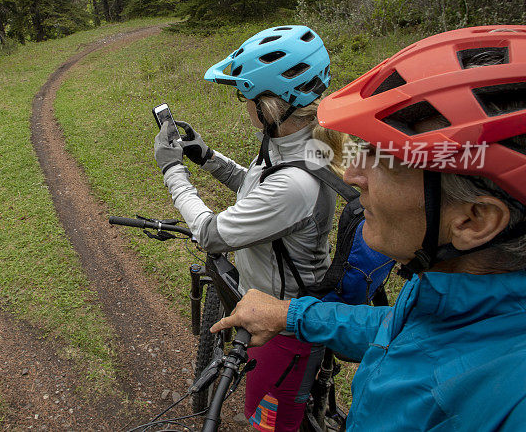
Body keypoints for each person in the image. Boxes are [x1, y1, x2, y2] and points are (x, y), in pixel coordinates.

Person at [211, 25, 526, 431]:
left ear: (474, 220)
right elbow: (402, 329)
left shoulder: (508, 404)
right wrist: (292, 315)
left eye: (386, 158)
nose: (353, 175)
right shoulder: (456, 297)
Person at [153, 25, 347, 431]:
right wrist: (205, 157)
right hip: (287, 305)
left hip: (282, 322)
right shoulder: (305, 143)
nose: (243, 106)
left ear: (269, 106)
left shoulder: (294, 184)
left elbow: (208, 233)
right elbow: (255, 185)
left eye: (246, 98)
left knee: (267, 421)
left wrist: (172, 167)